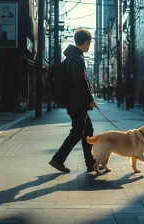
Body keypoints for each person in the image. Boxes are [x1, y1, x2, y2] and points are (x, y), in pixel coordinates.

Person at [49, 29, 102, 173]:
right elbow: (81, 81)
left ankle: (90, 162)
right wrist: (90, 100)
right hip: (77, 102)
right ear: (86, 42)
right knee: (78, 132)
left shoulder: (71, 56)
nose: (89, 46)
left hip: (73, 101)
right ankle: (58, 159)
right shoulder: (77, 58)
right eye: (89, 43)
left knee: (87, 130)